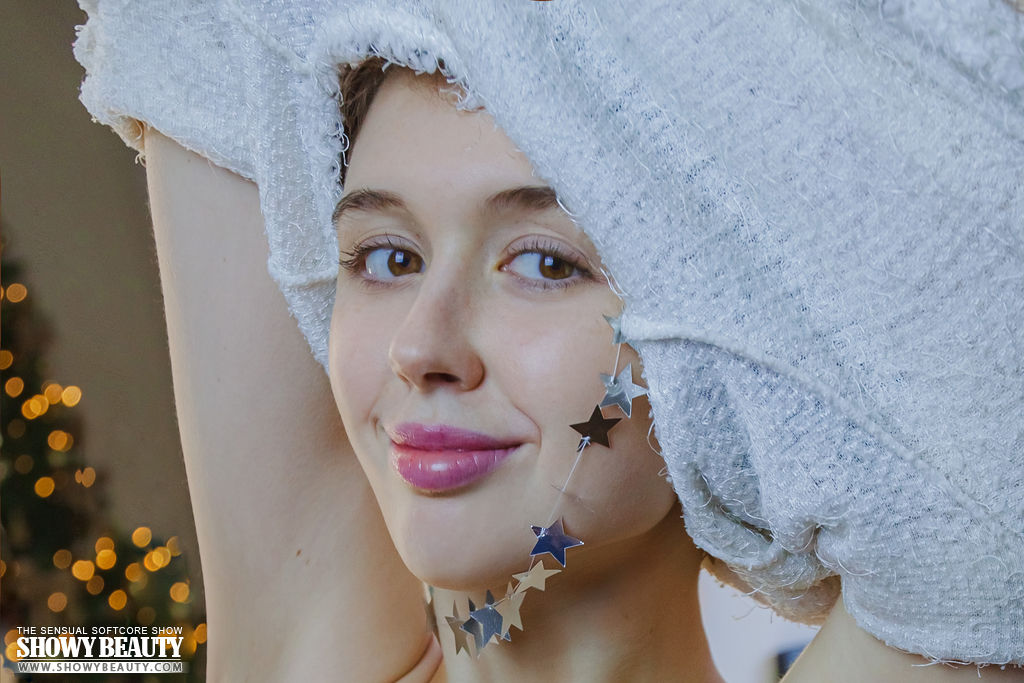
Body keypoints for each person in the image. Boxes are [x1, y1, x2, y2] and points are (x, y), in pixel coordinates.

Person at [77, 1, 1024, 681]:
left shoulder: (949, 605)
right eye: (387, 257)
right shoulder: (301, 652)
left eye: (543, 264)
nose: (420, 346)